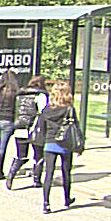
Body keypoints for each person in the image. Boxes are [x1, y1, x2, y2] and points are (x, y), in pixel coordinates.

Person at [32, 80, 77, 213]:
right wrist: (79, 146)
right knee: (66, 172)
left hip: (49, 143)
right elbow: (75, 127)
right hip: (65, 143)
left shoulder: (46, 109)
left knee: (49, 174)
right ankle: (67, 199)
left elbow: (42, 128)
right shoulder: (69, 109)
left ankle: (46, 203)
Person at [6, 74, 48, 188]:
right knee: (38, 156)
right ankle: (36, 180)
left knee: (20, 155)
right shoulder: (40, 95)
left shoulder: (20, 95)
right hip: (34, 129)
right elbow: (43, 113)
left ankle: (11, 175)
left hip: (20, 128)